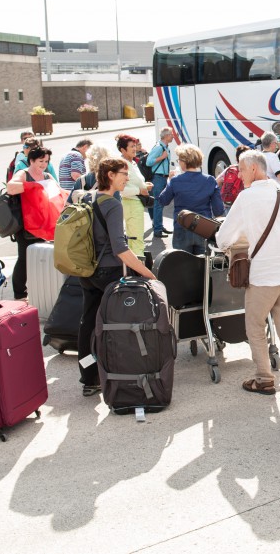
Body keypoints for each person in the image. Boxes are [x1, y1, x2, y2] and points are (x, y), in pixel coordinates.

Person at [216, 150, 280, 402]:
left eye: (242, 169)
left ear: (255, 170)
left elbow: (223, 237)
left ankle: (264, 379)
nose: (239, 174)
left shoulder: (246, 197)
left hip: (265, 275)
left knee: (255, 327)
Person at [77, 158, 156, 397]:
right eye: (124, 173)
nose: (127, 178)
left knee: (88, 323)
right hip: (108, 272)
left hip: (87, 270)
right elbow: (120, 248)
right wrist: (147, 273)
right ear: (110, 175)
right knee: (115, 326)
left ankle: (89, 377)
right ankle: (119, 372)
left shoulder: (88, 198)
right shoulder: (112, 204)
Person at [6, 145, 64, 300]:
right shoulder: (23, 174)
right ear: (31, 160)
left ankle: (42, 290)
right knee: (24, 258)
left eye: (46, 161)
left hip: (44, 223)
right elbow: (10, 188)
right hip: (25, 224)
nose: (43, 164)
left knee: (43, 256)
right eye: (40, 161)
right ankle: (20, 294)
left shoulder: (47, 177)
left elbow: (58, 194)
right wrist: (33, 187)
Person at [158, 144, 224, 255]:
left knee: (183, 265)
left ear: (184, 162)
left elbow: (163, 200)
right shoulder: (210, 180)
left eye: (179, 160)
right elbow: (218, 210)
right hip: (203, 228)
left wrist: (169, 181)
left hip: (182, 227)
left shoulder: (175, 181)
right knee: (203, 266)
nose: (178, 162)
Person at [116, 134, 152, 259]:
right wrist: (140, 190)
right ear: (122, 150)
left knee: (135, 239)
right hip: (131, 204)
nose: (135, 148)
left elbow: (133, 182)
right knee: (136, 239)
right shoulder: (122, 165)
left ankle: (135, 269)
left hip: (135, 204)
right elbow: (121, 189)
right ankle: (138, 271)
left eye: (135, 145)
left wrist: (144, 186)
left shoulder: (132, 163)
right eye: (131, 146)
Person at [147, 128, 175, 238]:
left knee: (159, 203)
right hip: (158, 178)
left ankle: (158, 226)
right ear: (166, 136)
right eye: (171, 134)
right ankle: (157, 229)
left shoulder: (165, 147)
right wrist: (162, 157)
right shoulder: (159, 147)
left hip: (162, 177)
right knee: (158, 204)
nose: (173, 136)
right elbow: (149, 162)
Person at [220, 145, 250, 213]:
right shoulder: (249, 170)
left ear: (236, 159)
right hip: (240, 204)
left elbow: (217, 181)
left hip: (228, 204)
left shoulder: (230, 169)